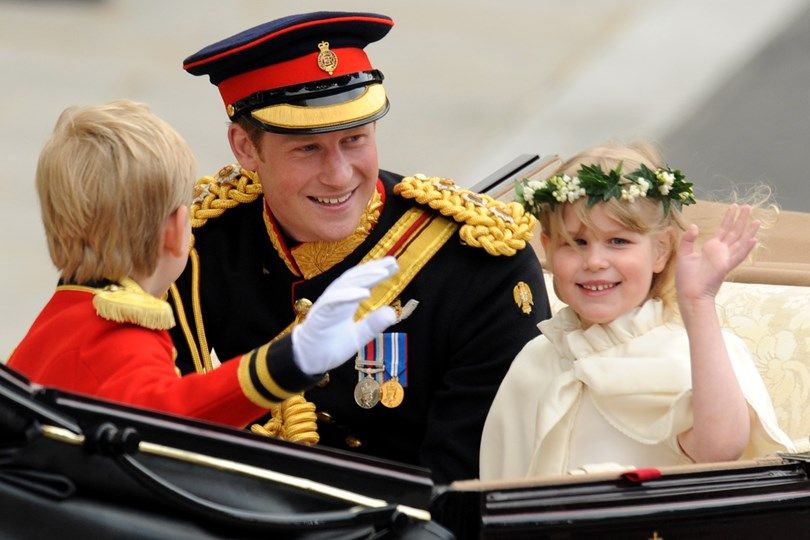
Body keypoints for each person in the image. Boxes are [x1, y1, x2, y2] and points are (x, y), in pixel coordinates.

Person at [169, 11, 551, 483]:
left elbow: (463, 490)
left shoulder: (480, 266)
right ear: (246, 148)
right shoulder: (193, 246)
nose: (339, 175)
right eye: (307, 149)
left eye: (354, 140)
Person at [7, 100, 400, 432]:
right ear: (179, 228)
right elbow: (170, 420)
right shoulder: (121, 338)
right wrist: (292, 360)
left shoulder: (58, 320)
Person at [479, 142, 795, 480]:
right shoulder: (536, 358)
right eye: (576, 243)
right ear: (548, 250)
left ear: (660, 251)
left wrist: (699, 303)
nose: (595, 261)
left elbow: (719, 450)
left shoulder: (694, 350)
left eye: (618, 242)